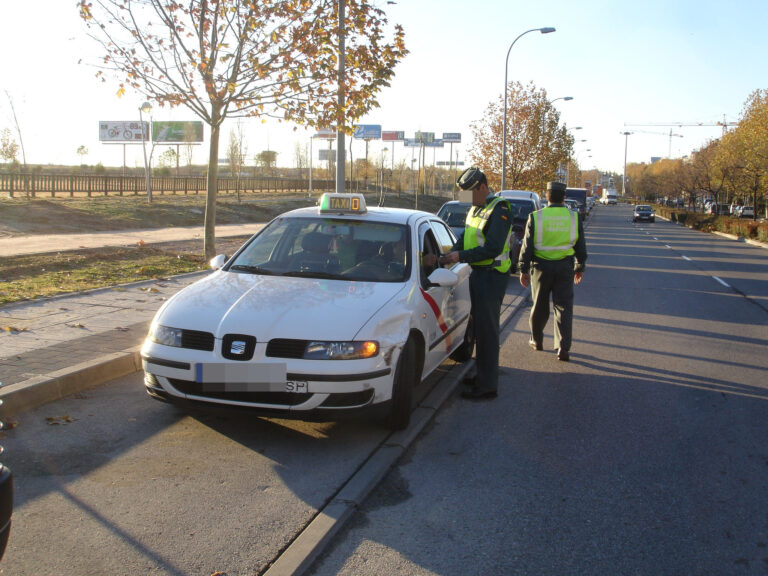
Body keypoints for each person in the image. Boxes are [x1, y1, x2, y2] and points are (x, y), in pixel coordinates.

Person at [439, 167, 513, 400]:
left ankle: (488, 385)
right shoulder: (475, 208)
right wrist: (446, 255)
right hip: (479, 275)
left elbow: (492, 248)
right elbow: (464, 239)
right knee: (481, 329)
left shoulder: (499, 208)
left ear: (482, 187)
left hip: (492, 276)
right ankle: (482, 375)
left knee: (488, 332)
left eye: (470, 193)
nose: (467, 198)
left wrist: (458, 257)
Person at [518, 181, 587, 361]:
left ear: (547, 196)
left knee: (539, 306)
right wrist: (579, 267)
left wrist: (523, 269)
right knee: (564, 308)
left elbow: (527, 246)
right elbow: (581, 246)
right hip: (565, 268)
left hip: (540, 268)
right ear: (564, 197)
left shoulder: (536, 216)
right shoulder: (574, 217)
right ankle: (563, 348)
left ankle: (537, 340)